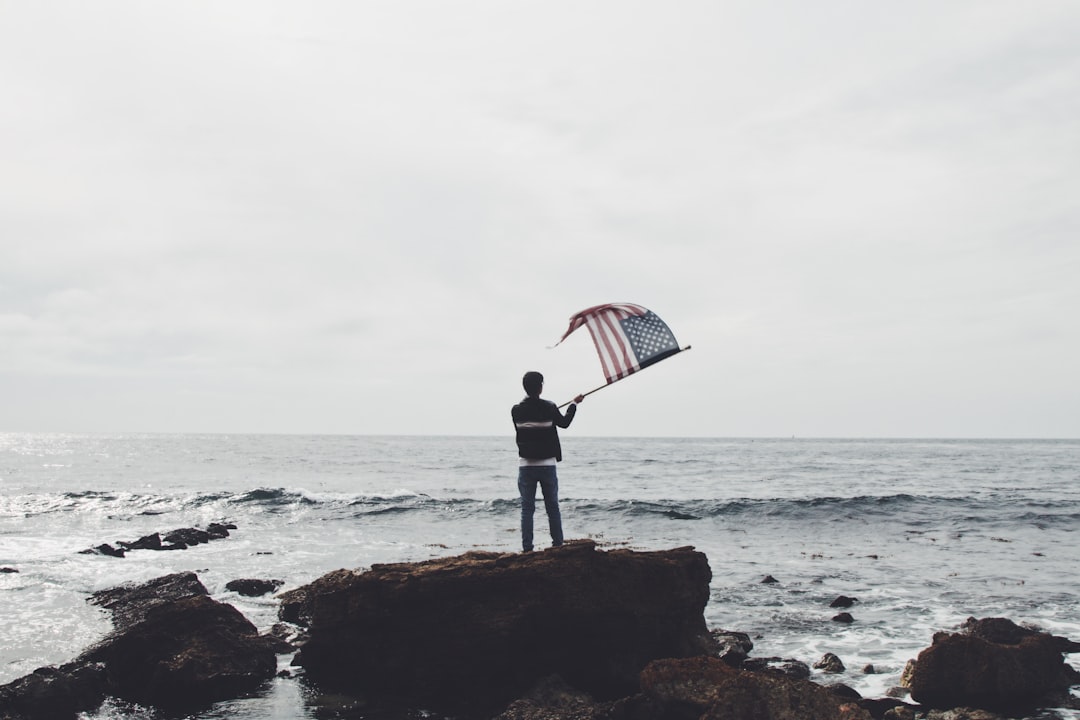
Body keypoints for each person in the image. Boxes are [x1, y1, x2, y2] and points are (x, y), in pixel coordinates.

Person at [511, 371, 584, 552]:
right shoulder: (550, 407)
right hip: (547, 465)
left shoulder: (516, 410)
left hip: (526, 466)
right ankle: (557, 545)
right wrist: (573, 404)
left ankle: (527, 548)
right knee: (552, 507)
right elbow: (564, 423)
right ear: (541, 386)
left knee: (527, 509)